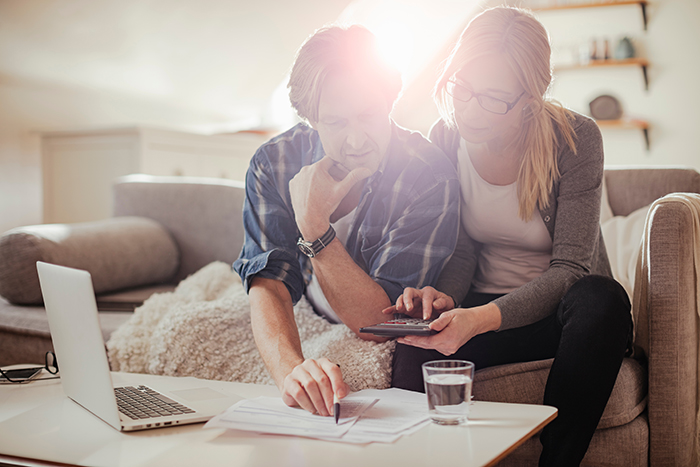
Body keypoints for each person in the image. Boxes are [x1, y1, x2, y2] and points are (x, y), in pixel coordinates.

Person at [386, 7, 632, 466]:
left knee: (602, 299)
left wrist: (477, 319)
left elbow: (571, 269)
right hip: (479, 305)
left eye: (493, 97)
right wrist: (444, 300)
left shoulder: (575, 139)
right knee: (411, 341)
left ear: (530, 100)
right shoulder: (445, 137)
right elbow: (462, 248)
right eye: (463, 89)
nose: (471, 109)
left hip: (561, 320)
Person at [233, 25, 460, 419]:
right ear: (310, 119)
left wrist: (314, 224)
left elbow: (377, 321)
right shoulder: (274, 163)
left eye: (368, 116)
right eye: (335, 123)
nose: (356, 140)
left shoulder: (429, 176)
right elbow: (269, 282)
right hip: (304, 305)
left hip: (361, 316)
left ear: (389, 100)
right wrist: (292, 372)